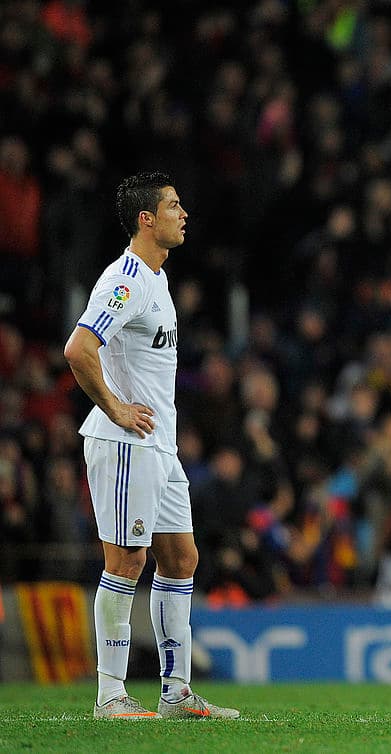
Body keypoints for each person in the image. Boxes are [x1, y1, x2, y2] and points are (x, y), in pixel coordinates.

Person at [64, 172, 239, 720]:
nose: (183, 214)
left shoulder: (158, 281)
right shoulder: (127, 280)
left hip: (159, 447)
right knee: (127, 559)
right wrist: (115, 408)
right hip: (125, 442)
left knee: (181, 558)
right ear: (147, 218)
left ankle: (176, 692)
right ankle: (111, 696)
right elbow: (79, 348)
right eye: (173, 205)